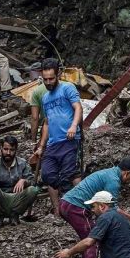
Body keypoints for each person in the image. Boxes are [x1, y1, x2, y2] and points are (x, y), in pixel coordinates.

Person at [58, 157, 130, 258]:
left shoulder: (108, 173)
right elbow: (112, 209)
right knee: (92, 240)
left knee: (90, 237)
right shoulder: (113, 181)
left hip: (67, 203)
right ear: (127, 173)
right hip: (75, 206)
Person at [34, 58, 83, 216]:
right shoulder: (45, 97)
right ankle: (58, 209)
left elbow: (78, 108)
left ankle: (82, 208)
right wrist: (41, 146)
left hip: (69, 139)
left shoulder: (67, 88)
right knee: (47, 174)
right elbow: (47, 123)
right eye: (45, 79)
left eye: (51, 78)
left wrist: (73, 126)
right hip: (53, 143)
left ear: (58, 75)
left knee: (71, 173)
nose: (48, 82)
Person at [0, 135, 41, 225]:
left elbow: (32, 182)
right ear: (0, 149)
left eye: (11, 150)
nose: (8, 153)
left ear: (16, 150)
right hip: (1, 197)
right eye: (5, 149)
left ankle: (14, 215)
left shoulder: (22, 163)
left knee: (33, 190)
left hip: (16, 198)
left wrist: (24, 181)